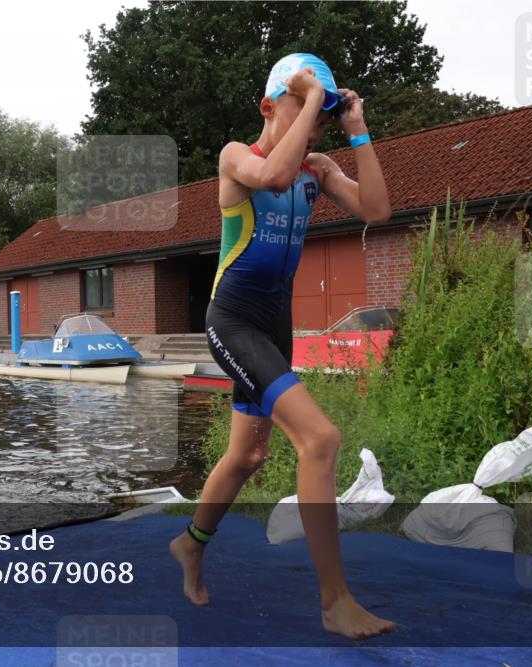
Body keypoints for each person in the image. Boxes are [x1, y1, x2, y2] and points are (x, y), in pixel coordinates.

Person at [169, 53, 394, 640]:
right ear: (270, 107)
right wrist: (312, 95)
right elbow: (270, 176)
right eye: (303, 109)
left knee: (248, 456)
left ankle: (189, 545)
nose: (314, 125)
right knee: (320, 439)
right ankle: (335, 601)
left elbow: (377, 209)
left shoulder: (317, 169)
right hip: (234, 321)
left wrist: (356, 129)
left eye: (321, 116)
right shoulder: (236, 157)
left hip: (274, 327)